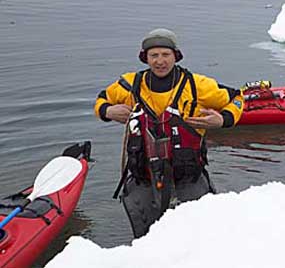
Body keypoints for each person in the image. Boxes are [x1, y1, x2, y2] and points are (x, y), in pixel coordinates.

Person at [94, 28, 244, 238]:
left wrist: (223, 119)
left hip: (188, 180)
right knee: (147, 240)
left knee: (197, 239)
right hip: (143, 181)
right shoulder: (130, 85)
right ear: (145, 58)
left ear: (176, 56)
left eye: (165, 54)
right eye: (153, 55)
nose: (159, 61)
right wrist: (107, 111)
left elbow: (236, 97)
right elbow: (102, 99)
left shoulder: (197, 85)